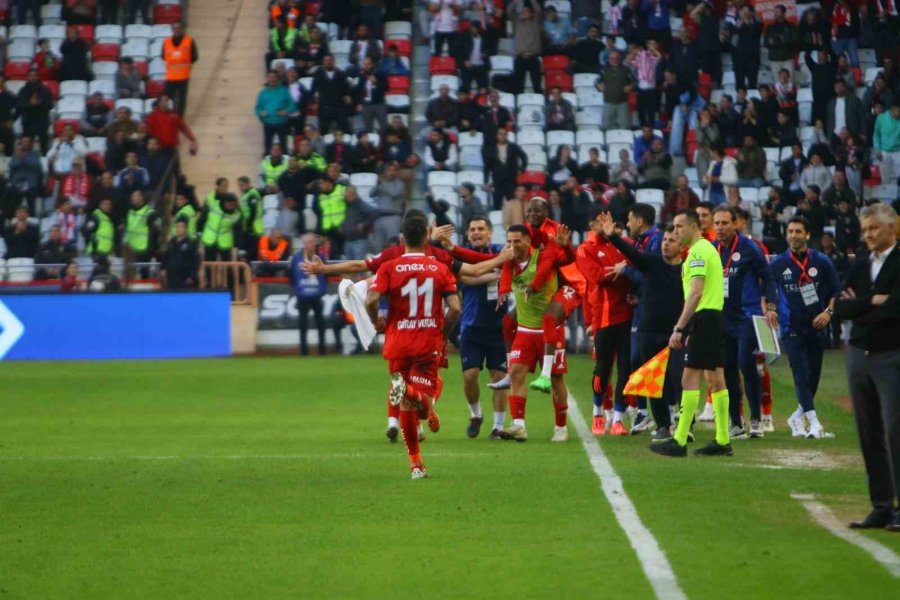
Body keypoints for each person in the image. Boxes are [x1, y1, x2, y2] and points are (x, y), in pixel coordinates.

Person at [366, 215, 462, 479]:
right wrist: (442, 334)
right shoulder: (439, 268)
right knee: (420, 403)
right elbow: (455, 308)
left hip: (397, 343)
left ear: (402, 239)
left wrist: (377, 321)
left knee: (407, 406)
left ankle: (416, 464)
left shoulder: (389, 267)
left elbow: (371, 300)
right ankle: (411, 392)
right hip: (426, 344)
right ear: (427, 236)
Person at [833, 203, 900, 532]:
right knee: (868, 432)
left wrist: (860, 305)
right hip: (859, 354)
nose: (868, 234)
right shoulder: (859, 265)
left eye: (874, 228)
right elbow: (839, 308)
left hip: (892, 354)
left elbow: (896, 310)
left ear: (893, 228)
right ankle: (881, 506)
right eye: (865, 229)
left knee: (895, 431)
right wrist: (873, 301)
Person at [651, 208, 732, 457]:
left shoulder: (698, 251)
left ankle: (680, 440)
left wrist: (680, 327)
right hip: (714, 317)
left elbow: (696, 293)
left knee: (688, 379)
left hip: (704, 318)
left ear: (693, 227)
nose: (675, 231)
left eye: (679, 227)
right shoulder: (708, 250)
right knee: (716, 379)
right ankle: (722, 440)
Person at [601, 213, 685, 441]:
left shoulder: (687, 270)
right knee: (653, 382)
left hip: (675, 333)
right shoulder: (652, 263)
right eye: (665, 240)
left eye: (672, 241)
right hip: (649, 331)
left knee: (678, 380)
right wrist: (613, 237)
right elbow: (632, 254)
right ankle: (663, 426)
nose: (666, 244)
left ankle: (686, 423)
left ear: (682, 246)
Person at [495, 224, 569, 442]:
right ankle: (519, 425)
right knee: (516, 373)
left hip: (550, 329)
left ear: (528, 241)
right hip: (525, 330)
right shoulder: (509, 261)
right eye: (509, 241)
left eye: (517, 241)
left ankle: (561, 427)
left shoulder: (544, 258)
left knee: (556, 379)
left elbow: (564, 261)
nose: (512, 246)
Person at [770, 216, 840, 439]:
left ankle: (797, 417)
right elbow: (769, 293)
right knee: (800, 372)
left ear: (807, 235)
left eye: (798, 231)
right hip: (791, 328)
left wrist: (828, 313)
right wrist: (770, 309)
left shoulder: (822, 261)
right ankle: (815, 423)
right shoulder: (778, 263)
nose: (793, 235)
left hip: (818, 326)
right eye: (790, 231)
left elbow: (837, 292)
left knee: (813, 378)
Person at [712, 205, 778, 439]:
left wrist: (770, 306)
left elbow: (767, 277)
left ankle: (756, 419)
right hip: (723, 318)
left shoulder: (749, 248)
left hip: (747, 316)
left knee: (746, 364)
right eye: (716, 223)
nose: (720, 228)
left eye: (724, 223)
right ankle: (736, 422)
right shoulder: (712, 250)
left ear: (736, 223)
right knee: (728, 369)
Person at [576, 207, 634, 435]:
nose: (605, 226)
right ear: (592, 226)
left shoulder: (623, 243)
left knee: (626, 369)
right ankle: (598, 412)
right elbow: (596, 276)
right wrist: (623, 269)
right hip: (604, 319)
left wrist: (625, 268)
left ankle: (618, 418)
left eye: (608, 221)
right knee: (602, 369)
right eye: (600, 222)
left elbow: (637, 266)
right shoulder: (585, 249)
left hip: (627, 315)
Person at [456, 216, 508, 439]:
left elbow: (511, 268)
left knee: (499, 376)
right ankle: (476, 414)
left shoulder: (501, 250)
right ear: (467, 235)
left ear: (490, 233)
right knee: (470, 375)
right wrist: (495, 274)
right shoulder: (459, 257)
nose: (476, 232)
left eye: (480, 229)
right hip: (471, 326)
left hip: (498, 327)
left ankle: (497, 426)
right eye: (472, 229)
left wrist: (493, 272)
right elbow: (466, 279)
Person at [290, 234, 329, 356]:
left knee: (320, 323)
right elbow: (291, 276)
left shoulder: (321, 258)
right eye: (309, 242)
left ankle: (322, 350)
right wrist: (298, 289)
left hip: (317, 295)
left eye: (312, 242)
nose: (311, 245)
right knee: (303, 324)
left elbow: (326, 273)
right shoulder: (296, 258)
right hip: (303, 295)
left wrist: (321, 288)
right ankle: (304, 351)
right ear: (304, 244)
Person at [256, 71, 296, 155]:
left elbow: (293, 105)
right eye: (270, 77)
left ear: (277, 78)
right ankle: (266, 166)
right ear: (267, 78)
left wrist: (286, 111)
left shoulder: (284, 91)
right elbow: (258, 108)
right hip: (268, 124)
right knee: (268, 148)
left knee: (284, 148)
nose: (272, 79)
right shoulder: (262, 93)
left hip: (282, 123)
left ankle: (285, 166)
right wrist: (260, 113)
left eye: (274, 77)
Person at [162, 22, 199, 115]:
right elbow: (162, 55)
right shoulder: (166, 42)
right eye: (175, 28)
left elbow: (194, 56)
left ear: (182, 29)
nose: (177, 30)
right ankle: (167, 116)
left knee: (182, 100)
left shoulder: (189, 41)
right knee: (167, 98)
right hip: (171, 76)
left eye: (178, 28)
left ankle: (179, 119)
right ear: (172, 29)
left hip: (183, 76)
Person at [16, 70, 54, 152]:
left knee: (44, 145)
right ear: (27, 77)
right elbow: (19, 106)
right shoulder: (23, 91)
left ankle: (45, 160)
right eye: (30, 76)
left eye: (34, 75)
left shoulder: (45, 90)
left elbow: (50, 105)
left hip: (42, 121)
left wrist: (39, 103)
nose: (33, 78)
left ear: (38, 77)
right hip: (28, 122)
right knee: (27, 146)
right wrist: (30, 104)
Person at [162, 221, 200, 289]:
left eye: (181, 227)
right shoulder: (171, 242)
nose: (178, 229)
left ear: (185, 229)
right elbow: (166, 256)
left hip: (184, 278)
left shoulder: (190, 243)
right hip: (171, 277)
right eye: (177, 226)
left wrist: (191, 276)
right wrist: (163, 269)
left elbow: (196, 261)